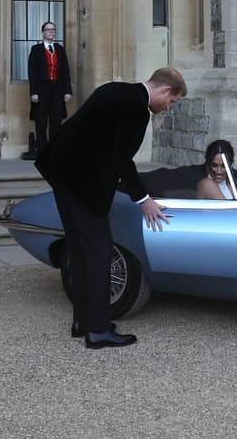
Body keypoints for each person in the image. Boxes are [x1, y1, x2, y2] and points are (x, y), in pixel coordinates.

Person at [36, 67, 186, 349]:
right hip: (83, 184)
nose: (168, 108)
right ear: (165, 90)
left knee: (80, 251)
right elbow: (121, 160)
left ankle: (82, 321)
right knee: (99, 253)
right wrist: (144, 200)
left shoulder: (114, 90)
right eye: (172, 101)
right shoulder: (137, 109)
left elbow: (84, 133)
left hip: (61, 173)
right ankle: (99, 330)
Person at [26, 21, 72, 157]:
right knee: (41, 121)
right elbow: (32, 72)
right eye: (48, 30)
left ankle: (54, 151)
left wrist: (67, 91)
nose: (51, 32)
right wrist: (33, 92)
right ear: (43, 33)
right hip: (41, 89)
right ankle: (42, 151)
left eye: (53, 30)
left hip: (57, 89)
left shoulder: (60, 49)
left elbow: (66, 71)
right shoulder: (36, 50)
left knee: (56, 121)